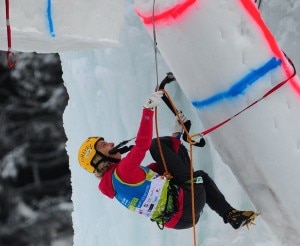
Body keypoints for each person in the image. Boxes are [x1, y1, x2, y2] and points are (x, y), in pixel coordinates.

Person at [78, 91, 258, 230]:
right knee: (155, 145)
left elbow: (165, 165)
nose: (110, 143)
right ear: (99, 158)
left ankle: (231, 215)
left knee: (197, 175)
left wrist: (176, 136)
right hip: (187, 202)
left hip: (183, 218)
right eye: (103, 146)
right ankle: (182, 137)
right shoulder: (122, 172)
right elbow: (142, 144)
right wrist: (148, 110)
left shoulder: (118, 184)